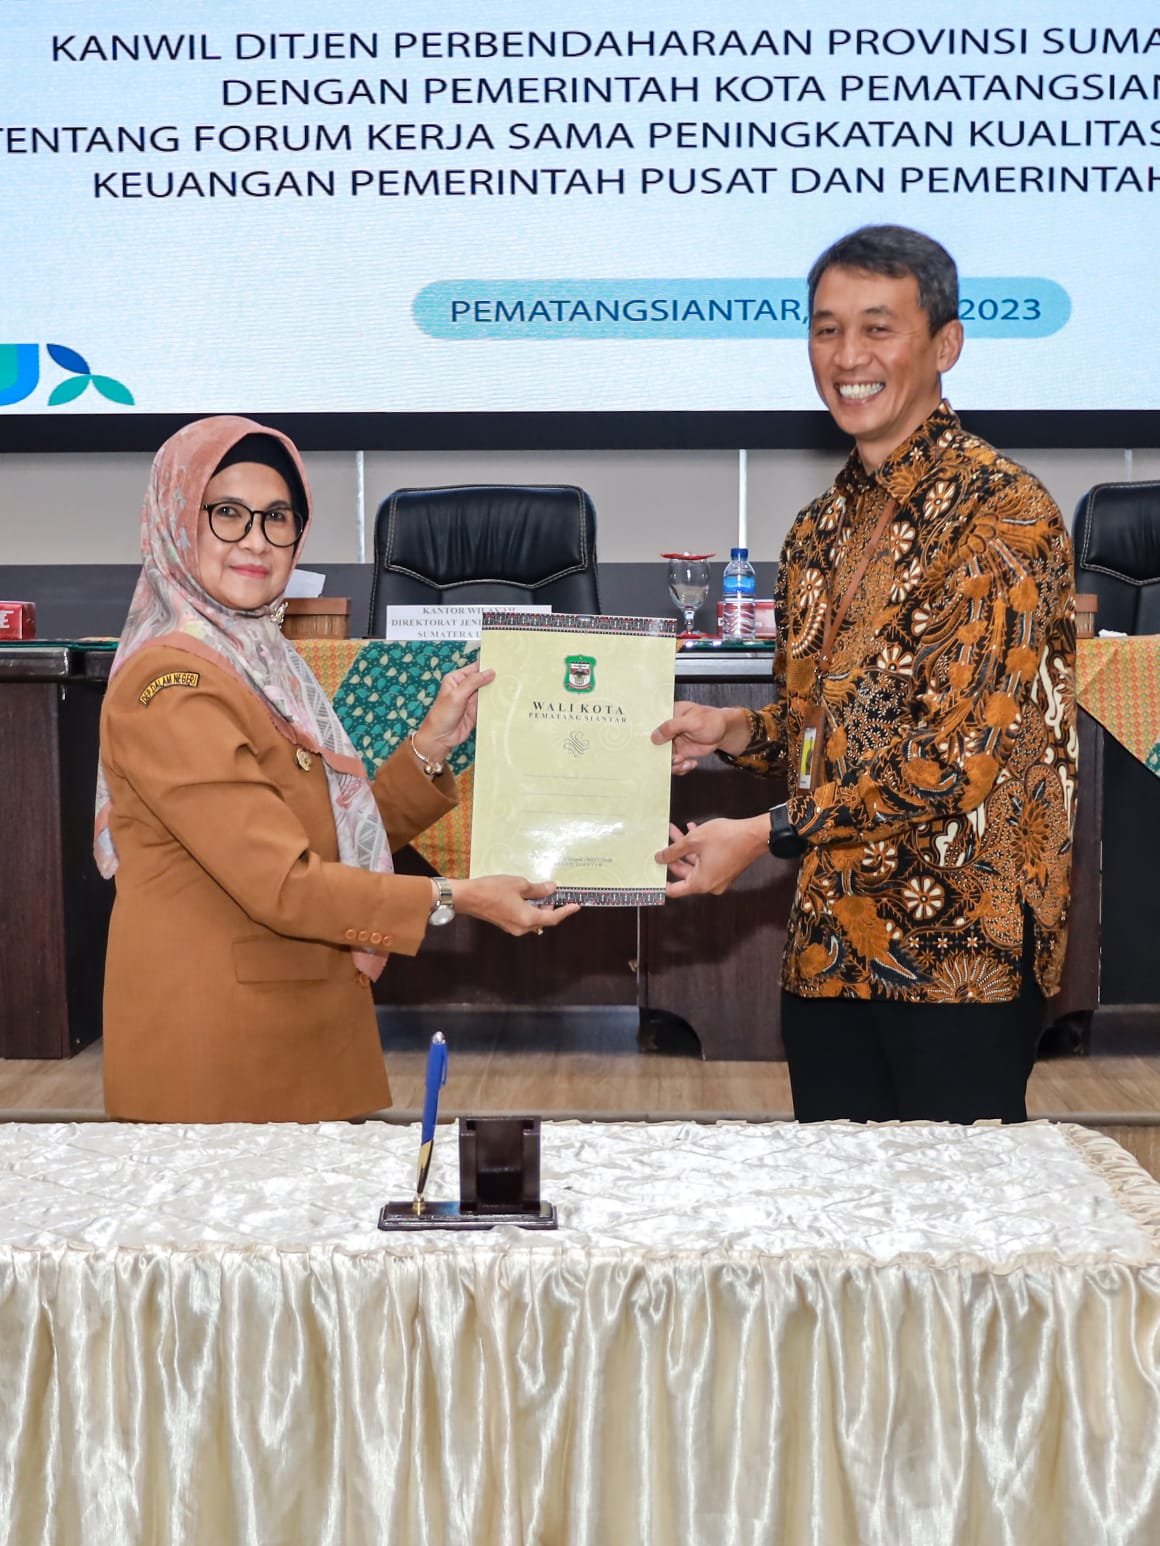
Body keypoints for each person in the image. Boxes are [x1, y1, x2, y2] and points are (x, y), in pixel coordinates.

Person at [654, 225, 1076, 1124]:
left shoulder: (1004, 515)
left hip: (959, 957)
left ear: (946, 345)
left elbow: (954, 763)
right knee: (837, 1205)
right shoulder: (820, 529)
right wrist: (731, 732)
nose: (849, 357)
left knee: (958, 1214)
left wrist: (761, 833)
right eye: (827, 329)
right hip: (829, 951)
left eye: (878, 328)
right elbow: (822, 735)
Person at [95, 415, 576, 1123]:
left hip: (285, 1028)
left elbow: (329, 835)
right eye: (226, 513)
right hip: (219, 1055)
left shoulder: (263, 661)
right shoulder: (174, 684)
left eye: (277, 518)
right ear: (175, 519)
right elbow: (282, 883)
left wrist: (429, 748)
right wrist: (458, 897)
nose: (255, 540)